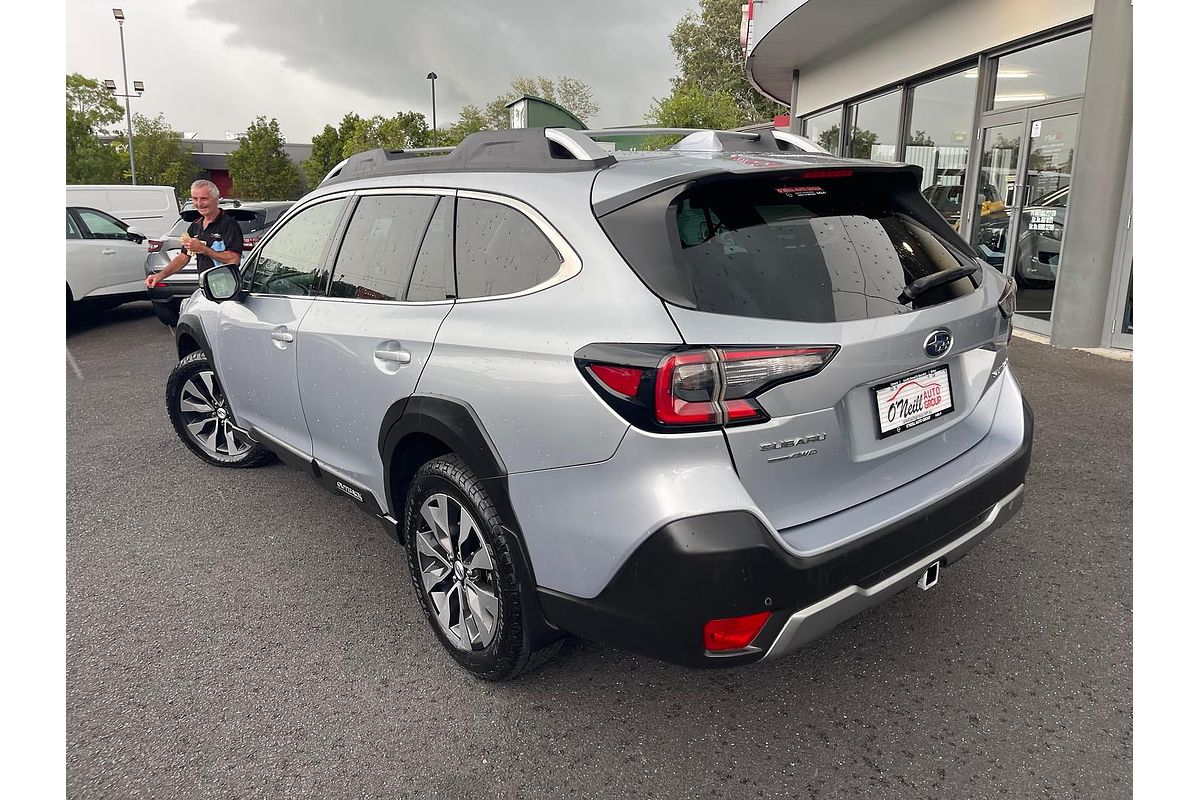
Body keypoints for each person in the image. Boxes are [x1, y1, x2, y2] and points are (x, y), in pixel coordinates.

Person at [145, 180, 243, 289]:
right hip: (206, 287)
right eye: (195, 199)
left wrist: (203, 249)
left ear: (216, 200)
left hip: (227, 289)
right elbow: (183, 257)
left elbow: (234, 259)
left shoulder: (229, 224)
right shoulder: (195, 226)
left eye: (204, 199)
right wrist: (159, 276)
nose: (199, 204)